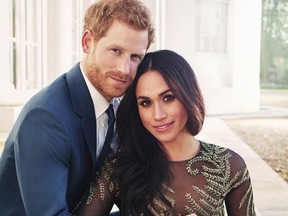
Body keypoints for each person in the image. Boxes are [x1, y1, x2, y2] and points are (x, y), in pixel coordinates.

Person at [0, 0, 155, 215]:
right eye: (115, 50)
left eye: (135, 56)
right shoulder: (46, 118)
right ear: (87, 42)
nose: (124, 69)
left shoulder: (117, 105)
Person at [76, 49, 256, 216]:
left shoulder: (229, 165)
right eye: (145, 103)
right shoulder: (119, 168)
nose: (158, 115)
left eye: (168, 98)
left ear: (189, 96)